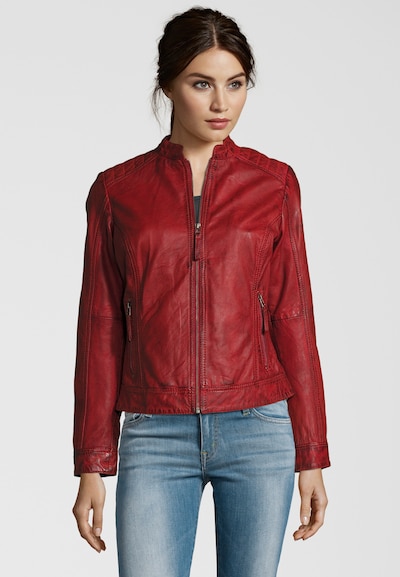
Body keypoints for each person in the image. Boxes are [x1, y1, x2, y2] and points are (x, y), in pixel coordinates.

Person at [72, 7, 330, 577]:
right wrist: (93, 461)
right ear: (167, 86)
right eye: (202, 84)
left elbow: (293, 317)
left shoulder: (273, 184)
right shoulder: (117, 192)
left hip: (259, 428)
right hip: (154, 430)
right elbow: (101, 328)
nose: (221, 104)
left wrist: (312, 453)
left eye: (235, 84)